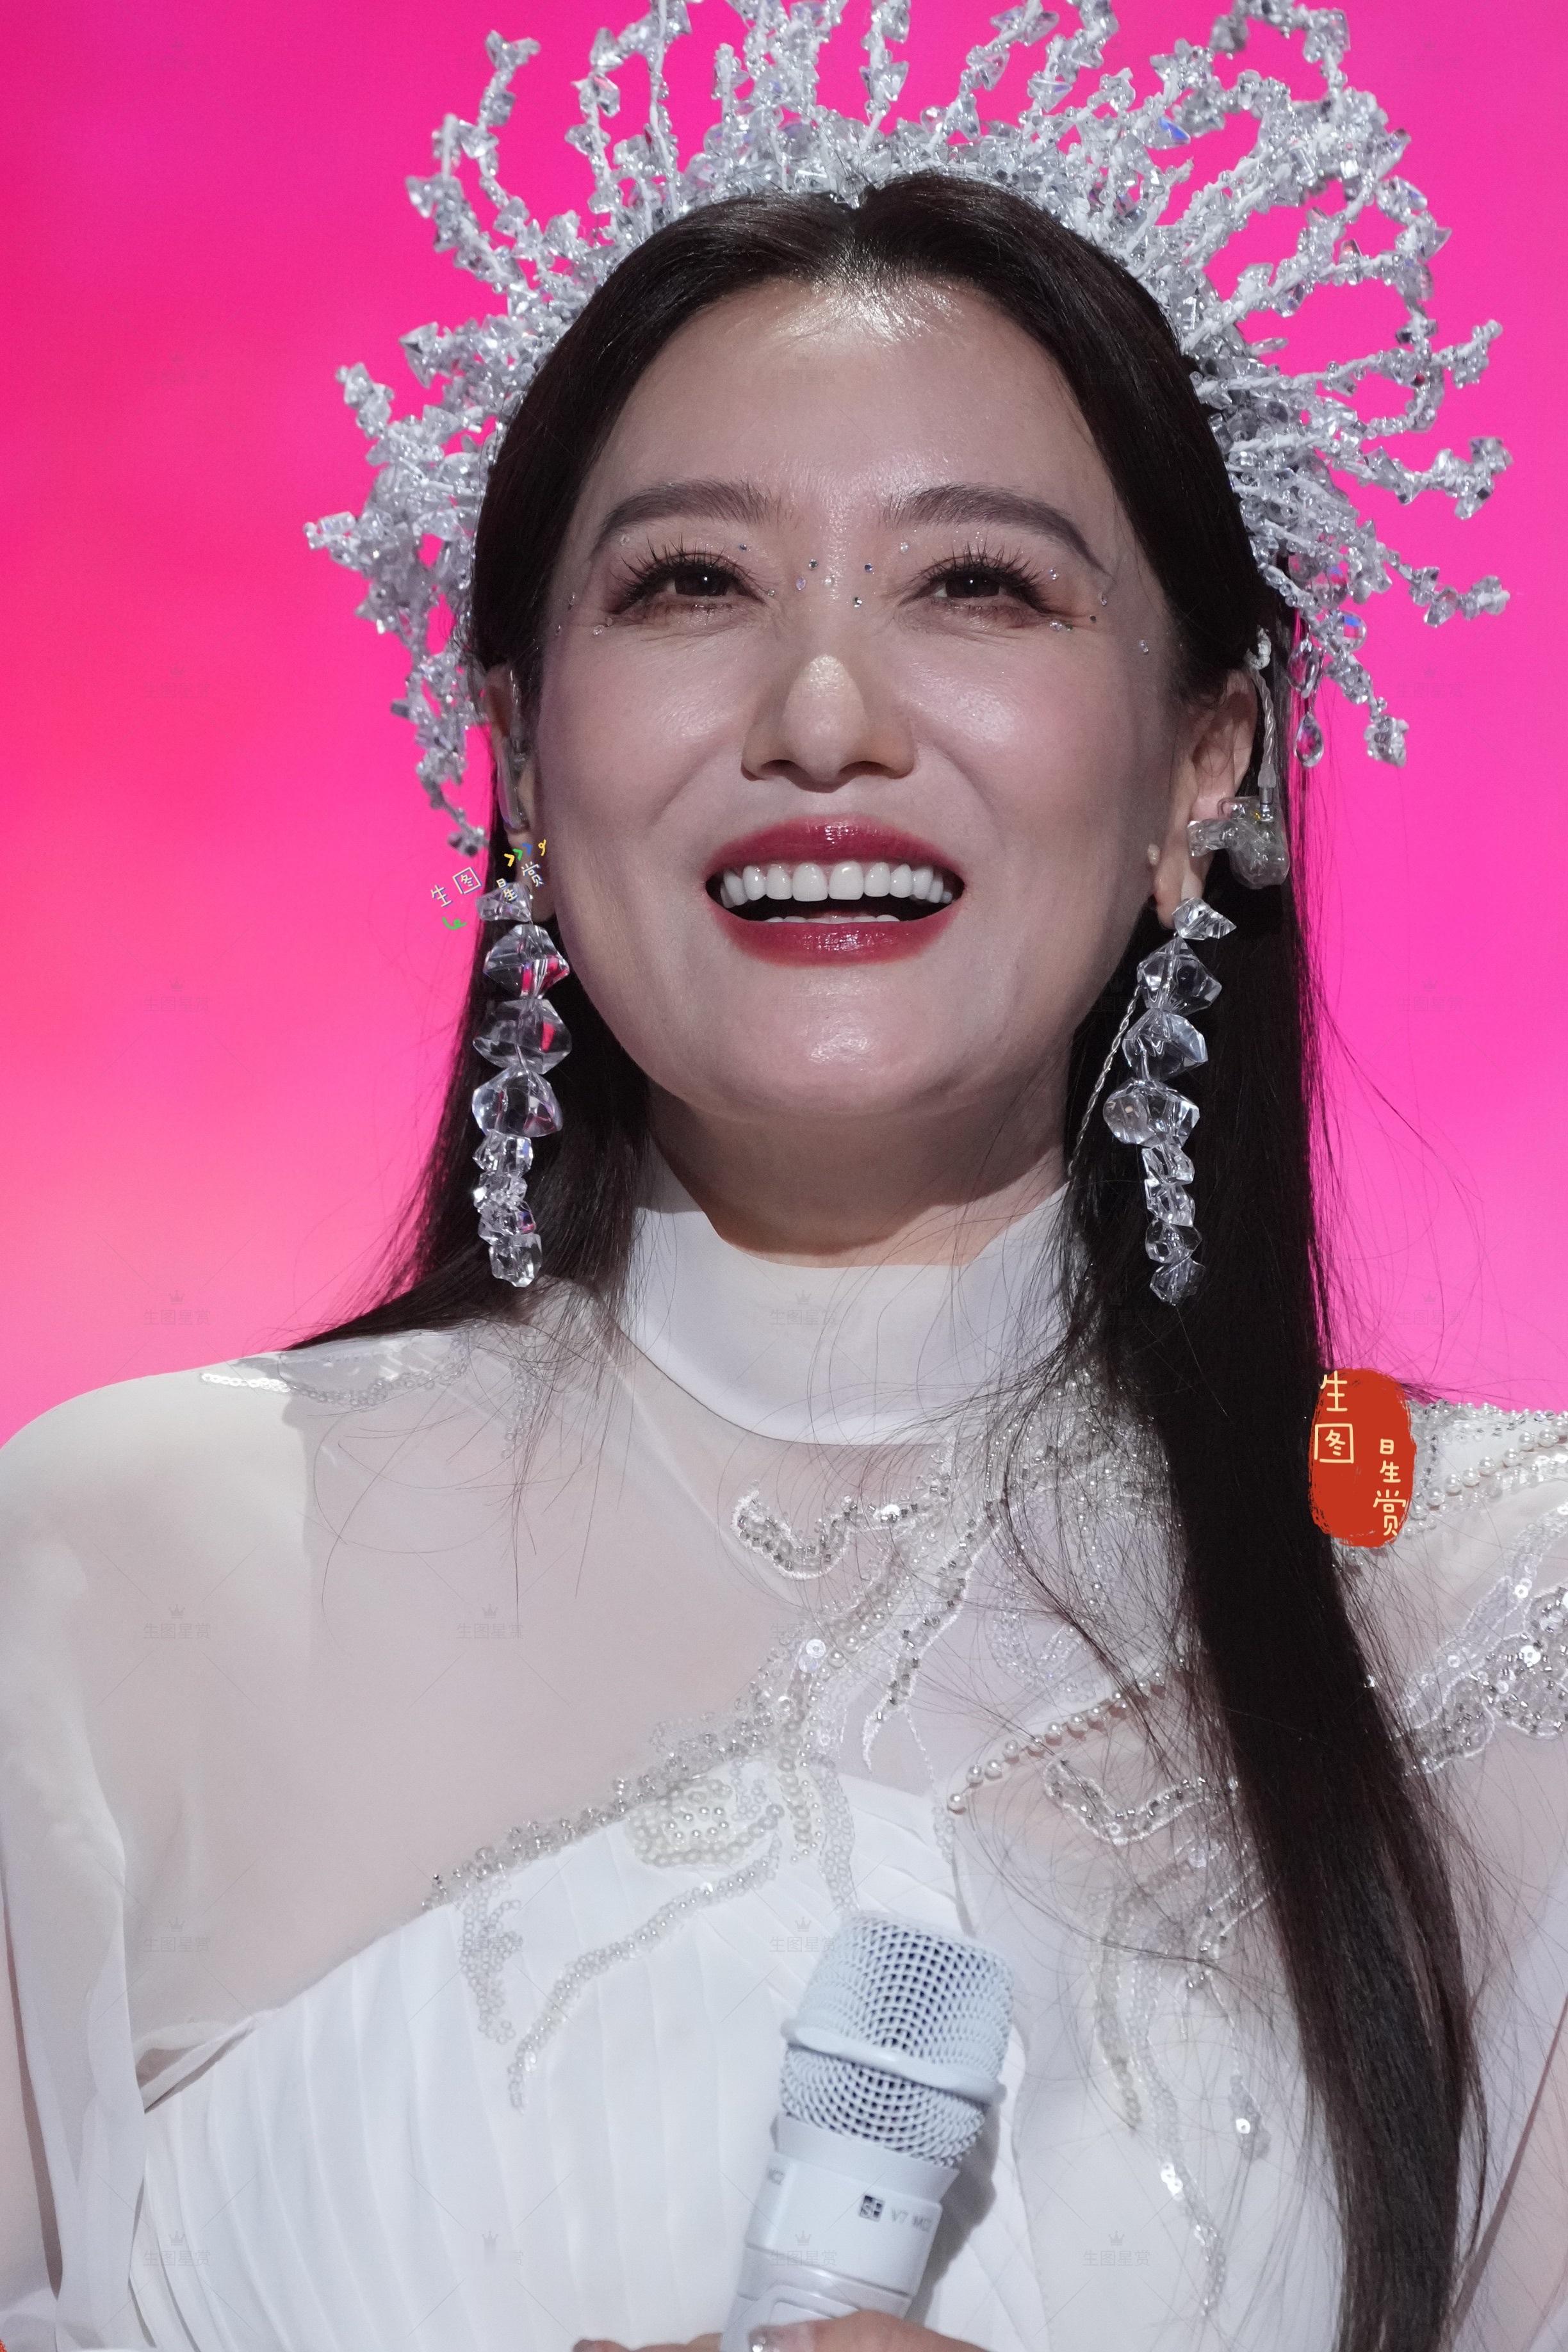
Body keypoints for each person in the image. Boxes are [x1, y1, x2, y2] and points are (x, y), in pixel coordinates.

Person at [1, 12, 1564, 2352]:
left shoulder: (1487, 1613)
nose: (823, 714)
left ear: (1203, 762)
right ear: (520, 754)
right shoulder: (124, 1566)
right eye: (690, 587)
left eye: (981, 587)